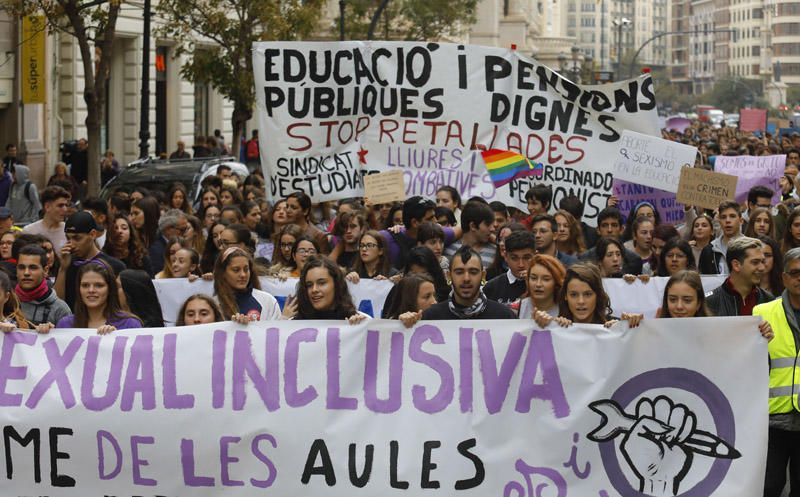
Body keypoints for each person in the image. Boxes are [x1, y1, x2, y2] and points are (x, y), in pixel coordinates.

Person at [753, 247, 800, 497]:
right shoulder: (762, 313)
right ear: (783, 277)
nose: (799, 278)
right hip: (772, 417)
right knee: (769, 486)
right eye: (795, 273)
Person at [54, 211, 126, 310]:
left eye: (77, 238)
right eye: (68, 239)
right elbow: (58, 305)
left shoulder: (115, 266)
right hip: (72, 322)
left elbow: (121, 306)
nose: (71, 244)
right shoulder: (66, 262)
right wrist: (63, 269)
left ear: (92, 234)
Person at [535, 262, 642, 328]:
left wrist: (631, 325)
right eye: (574, 295)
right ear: (565, 296)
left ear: (598, 295)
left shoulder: (614, 326)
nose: (581, 301)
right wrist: (543, 325)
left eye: (588, 294)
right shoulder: (556, 328)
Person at [421, 246, 516, 320]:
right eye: (459, 272)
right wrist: (407, 324)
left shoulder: (504, 316)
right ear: (449, 276)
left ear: (483, 276)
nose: (466, 279)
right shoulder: (431, 317)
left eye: (473, 272)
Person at [50, 262, 142, 333]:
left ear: (110, 289)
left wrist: (116, 338)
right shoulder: (65, 324)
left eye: (99, 285)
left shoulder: (130, 324)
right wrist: (45, 334)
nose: (91, 290)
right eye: (85, 285)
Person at [380, 196, 459, 270]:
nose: (436, 221)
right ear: (414, 222)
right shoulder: (388, 237)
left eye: (440, 242)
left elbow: (462, 229)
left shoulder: (437, 233)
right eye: (430, 218)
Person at [706, 236, 773, 316]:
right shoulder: (710, 301)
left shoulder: (768, 300)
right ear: (736, 265)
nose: (762, 268)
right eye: (755, 262)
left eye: (762, 262)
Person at [288, 256, 367, 323]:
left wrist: (359, 329)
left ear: (336, 285)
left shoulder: (357, 319)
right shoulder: (294, 324)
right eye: (309, 285)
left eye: (321, 283)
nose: (314, 290)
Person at [213, 247, 281, 321]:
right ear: (223, 273)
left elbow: (277, 330)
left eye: (246, 269)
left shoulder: (268, 301)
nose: (243, 275)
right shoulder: (214, 305)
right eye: (236, 270)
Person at [15, 244, 71, 326]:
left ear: (45, 271)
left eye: (33, 268)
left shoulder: (60, 309)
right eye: (21, 267)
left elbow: (68, 338)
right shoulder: (7, 302)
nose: (26, 273)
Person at [579, 207, 643, 275]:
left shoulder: (634, 260)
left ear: (622, 229)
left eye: (614, 225)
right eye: (605, 225)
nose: (609, 230)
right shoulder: (585, 259)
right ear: (598, 230)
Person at [483, 230, 536, 306]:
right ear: (505, 256)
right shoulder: (492, 287)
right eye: (514, 258)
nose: (521, 264)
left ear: (535, 256)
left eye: (526, 258)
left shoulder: (544, 285)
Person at [443, 201, 496, 267]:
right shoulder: (447, 249)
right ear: (473, 226)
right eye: (487, 224)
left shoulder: (495, 253)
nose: (492, 229)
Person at [517, 254, 566, 320]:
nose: (538, 284)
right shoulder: (515, 309)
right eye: (533, 278)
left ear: (556, 282)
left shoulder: (567, 310)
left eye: (546, 279)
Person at [22, 185, 71, 252]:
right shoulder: (29, 231)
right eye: (60, 205)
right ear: (47, 207)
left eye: (66, 205)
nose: (65, 209)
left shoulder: (69, 231)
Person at [150, 209, 189, 275]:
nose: (185, 234)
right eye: (182, 230)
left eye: (186, 229)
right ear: (168, 229)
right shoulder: (156, 250)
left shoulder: (183, 244)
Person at [711, 200, 744, 275]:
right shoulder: (709, 250)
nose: (727, 220)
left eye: (732, 216)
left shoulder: (751, 248)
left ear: (741, 221)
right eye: (723, 217)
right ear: (719, 221)